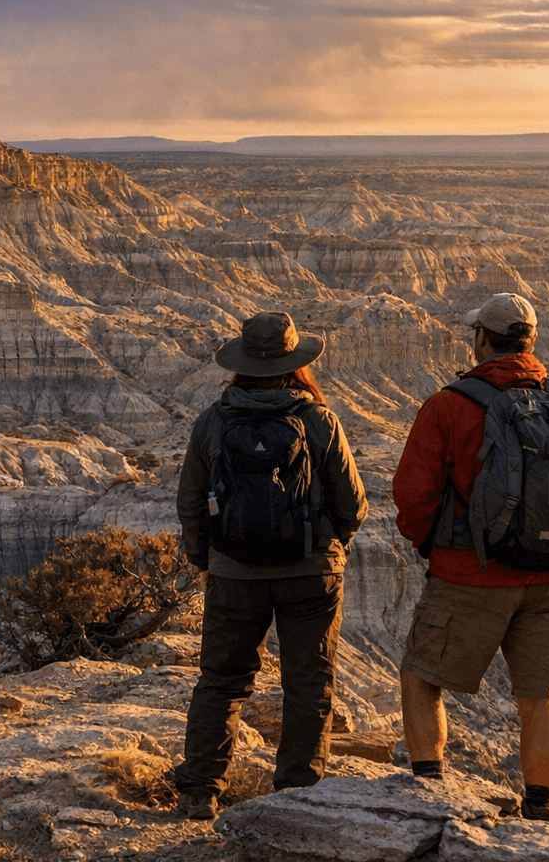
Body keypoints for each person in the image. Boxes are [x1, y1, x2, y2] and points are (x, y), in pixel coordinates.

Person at [392, 292, 549, 822]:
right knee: (540, 698)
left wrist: (432, 547)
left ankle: (429, 792)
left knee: (422, 675)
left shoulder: (448, 406)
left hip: (470, 574)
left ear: (480, 339)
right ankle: (540, 811)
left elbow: (414, 494)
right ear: (531, 339)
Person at [173, 311, 368, 821]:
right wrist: (330, 550)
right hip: (311, 573)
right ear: (294, 364)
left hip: (233, 574)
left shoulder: (213, 422)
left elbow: (190, 503)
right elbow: (354, 505)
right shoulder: (318, 419)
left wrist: (208, 560)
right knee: (308, 682)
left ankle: (199, 791)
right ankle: (296, 794)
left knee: (222, 680)